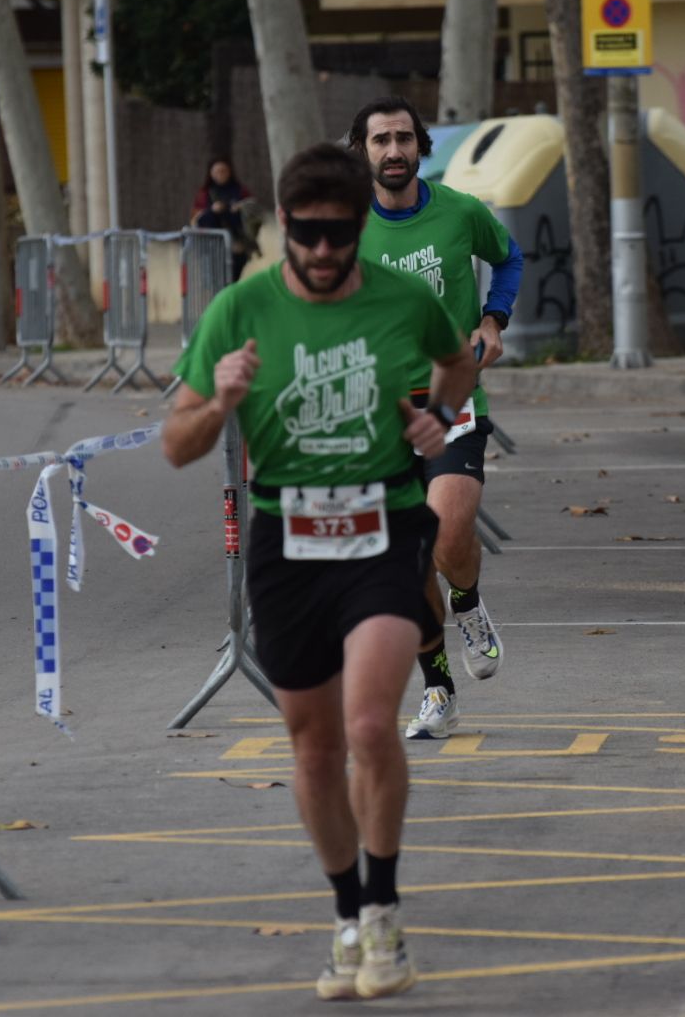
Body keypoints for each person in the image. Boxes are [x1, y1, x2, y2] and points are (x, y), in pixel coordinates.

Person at [163, 143, 473, 1001]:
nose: (326, 252)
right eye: (308, 236)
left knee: (372, 725)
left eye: (340, 235)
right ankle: (345, 918)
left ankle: (382, 911)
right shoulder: (240, 309)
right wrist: (221, 401)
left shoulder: (402, 298)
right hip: (286, 541)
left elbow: (457, 360)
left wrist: (438, 417)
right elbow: (175, 445)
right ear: (283, 232)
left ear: (358, 227)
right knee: (313, 743)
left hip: (381, 529)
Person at [347, 95, 524, 741]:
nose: (393, 151)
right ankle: (439, 688)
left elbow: (510, 257)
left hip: (451, 396)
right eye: (380, 141)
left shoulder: (460, 212)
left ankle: (470, 604)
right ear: (363, 152)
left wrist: (492, 318)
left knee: (449, 536)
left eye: (403, 139)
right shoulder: (345, 226)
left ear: (420, 147)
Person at [190, 157, 256, 285]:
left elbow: (255, 211)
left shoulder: (240, 191)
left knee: (232, 281)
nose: (220, 174)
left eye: (223, 171)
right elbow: (194, 220)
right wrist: (211, 210)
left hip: (238, 246)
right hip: (211, 250)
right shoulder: (204, 194)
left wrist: (240, 208)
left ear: (230, 172)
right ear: (211, 174)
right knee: (216, 284)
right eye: (217, 171)